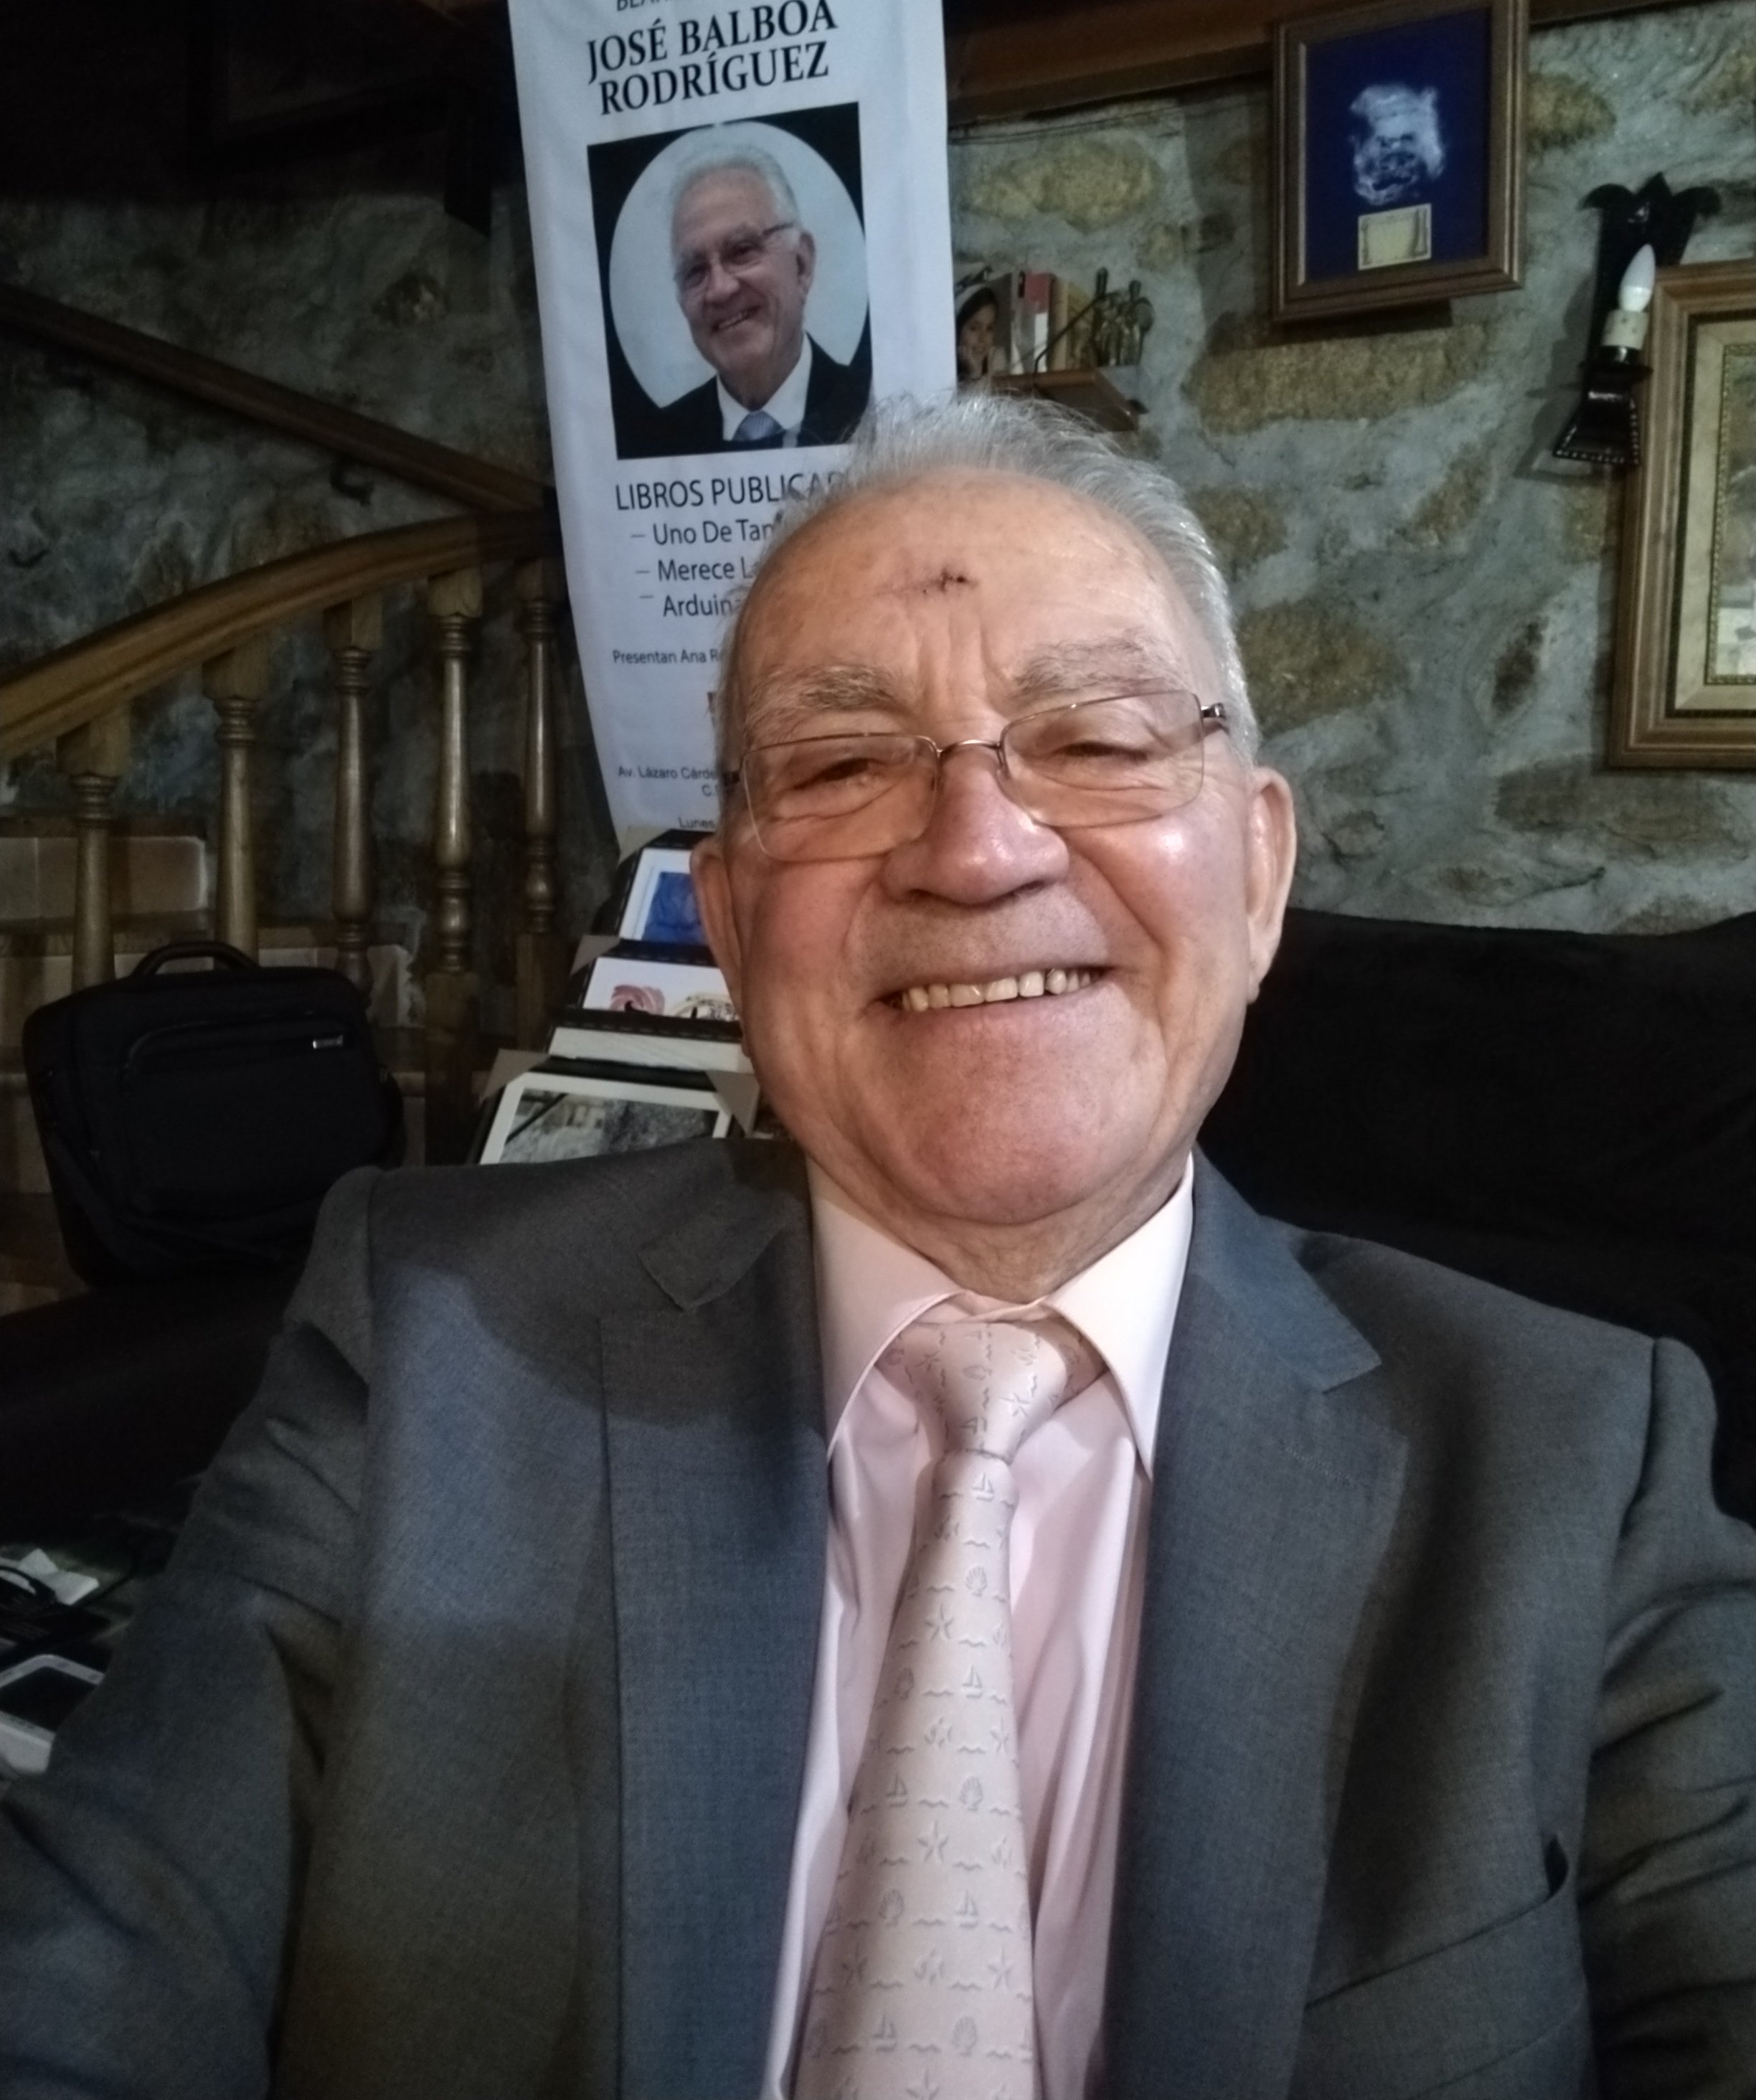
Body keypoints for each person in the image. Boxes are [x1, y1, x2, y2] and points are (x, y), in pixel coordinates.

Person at [2, 395, 1755, 2100]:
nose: (975, 850)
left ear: (1257, 869)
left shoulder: (1574, 1457)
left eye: (1096, 740)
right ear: (731, 916)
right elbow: (96, 1968)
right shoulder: (423, 1332)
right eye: (841, 765)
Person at [641, 139, 870, 454]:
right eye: (695, 270)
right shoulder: (658, 438)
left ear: (801, 264)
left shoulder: (874, 410)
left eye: (742, 251)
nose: (720, 289)